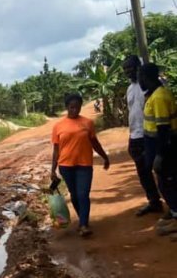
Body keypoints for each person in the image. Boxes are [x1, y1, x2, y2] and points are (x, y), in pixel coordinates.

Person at [50, 92, 110, 237]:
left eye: (77, 107)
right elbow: (56, 150)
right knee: (75, 195)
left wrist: (105, 157)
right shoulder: (58, 126)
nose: (74, 110)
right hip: (66, 166)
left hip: (84, 165)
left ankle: (83, 224)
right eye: (71, 107)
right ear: (67, 107)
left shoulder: (88, 123)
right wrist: (53, 169)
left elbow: (95, 143)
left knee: (83, 194)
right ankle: (83, 220)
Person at [138, 62, 177, 236]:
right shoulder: (154, 95)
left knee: (167, 183)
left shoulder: (159, 97)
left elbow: (163, 129)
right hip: (156, 145)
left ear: (146, 78)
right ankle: (174, 213)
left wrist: (160, 155)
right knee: (166, 182)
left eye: (141, 77)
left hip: (166, 147)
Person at [123, 55, 163, 215]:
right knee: (143, 172)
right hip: (135, 135)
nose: (128, 71)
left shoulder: (147, 85)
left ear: (138, 66)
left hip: (150, 134)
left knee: (161, 169)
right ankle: (154, 201)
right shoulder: (130, 88)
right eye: (125, 69)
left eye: (130, 67)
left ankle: (172, 205)